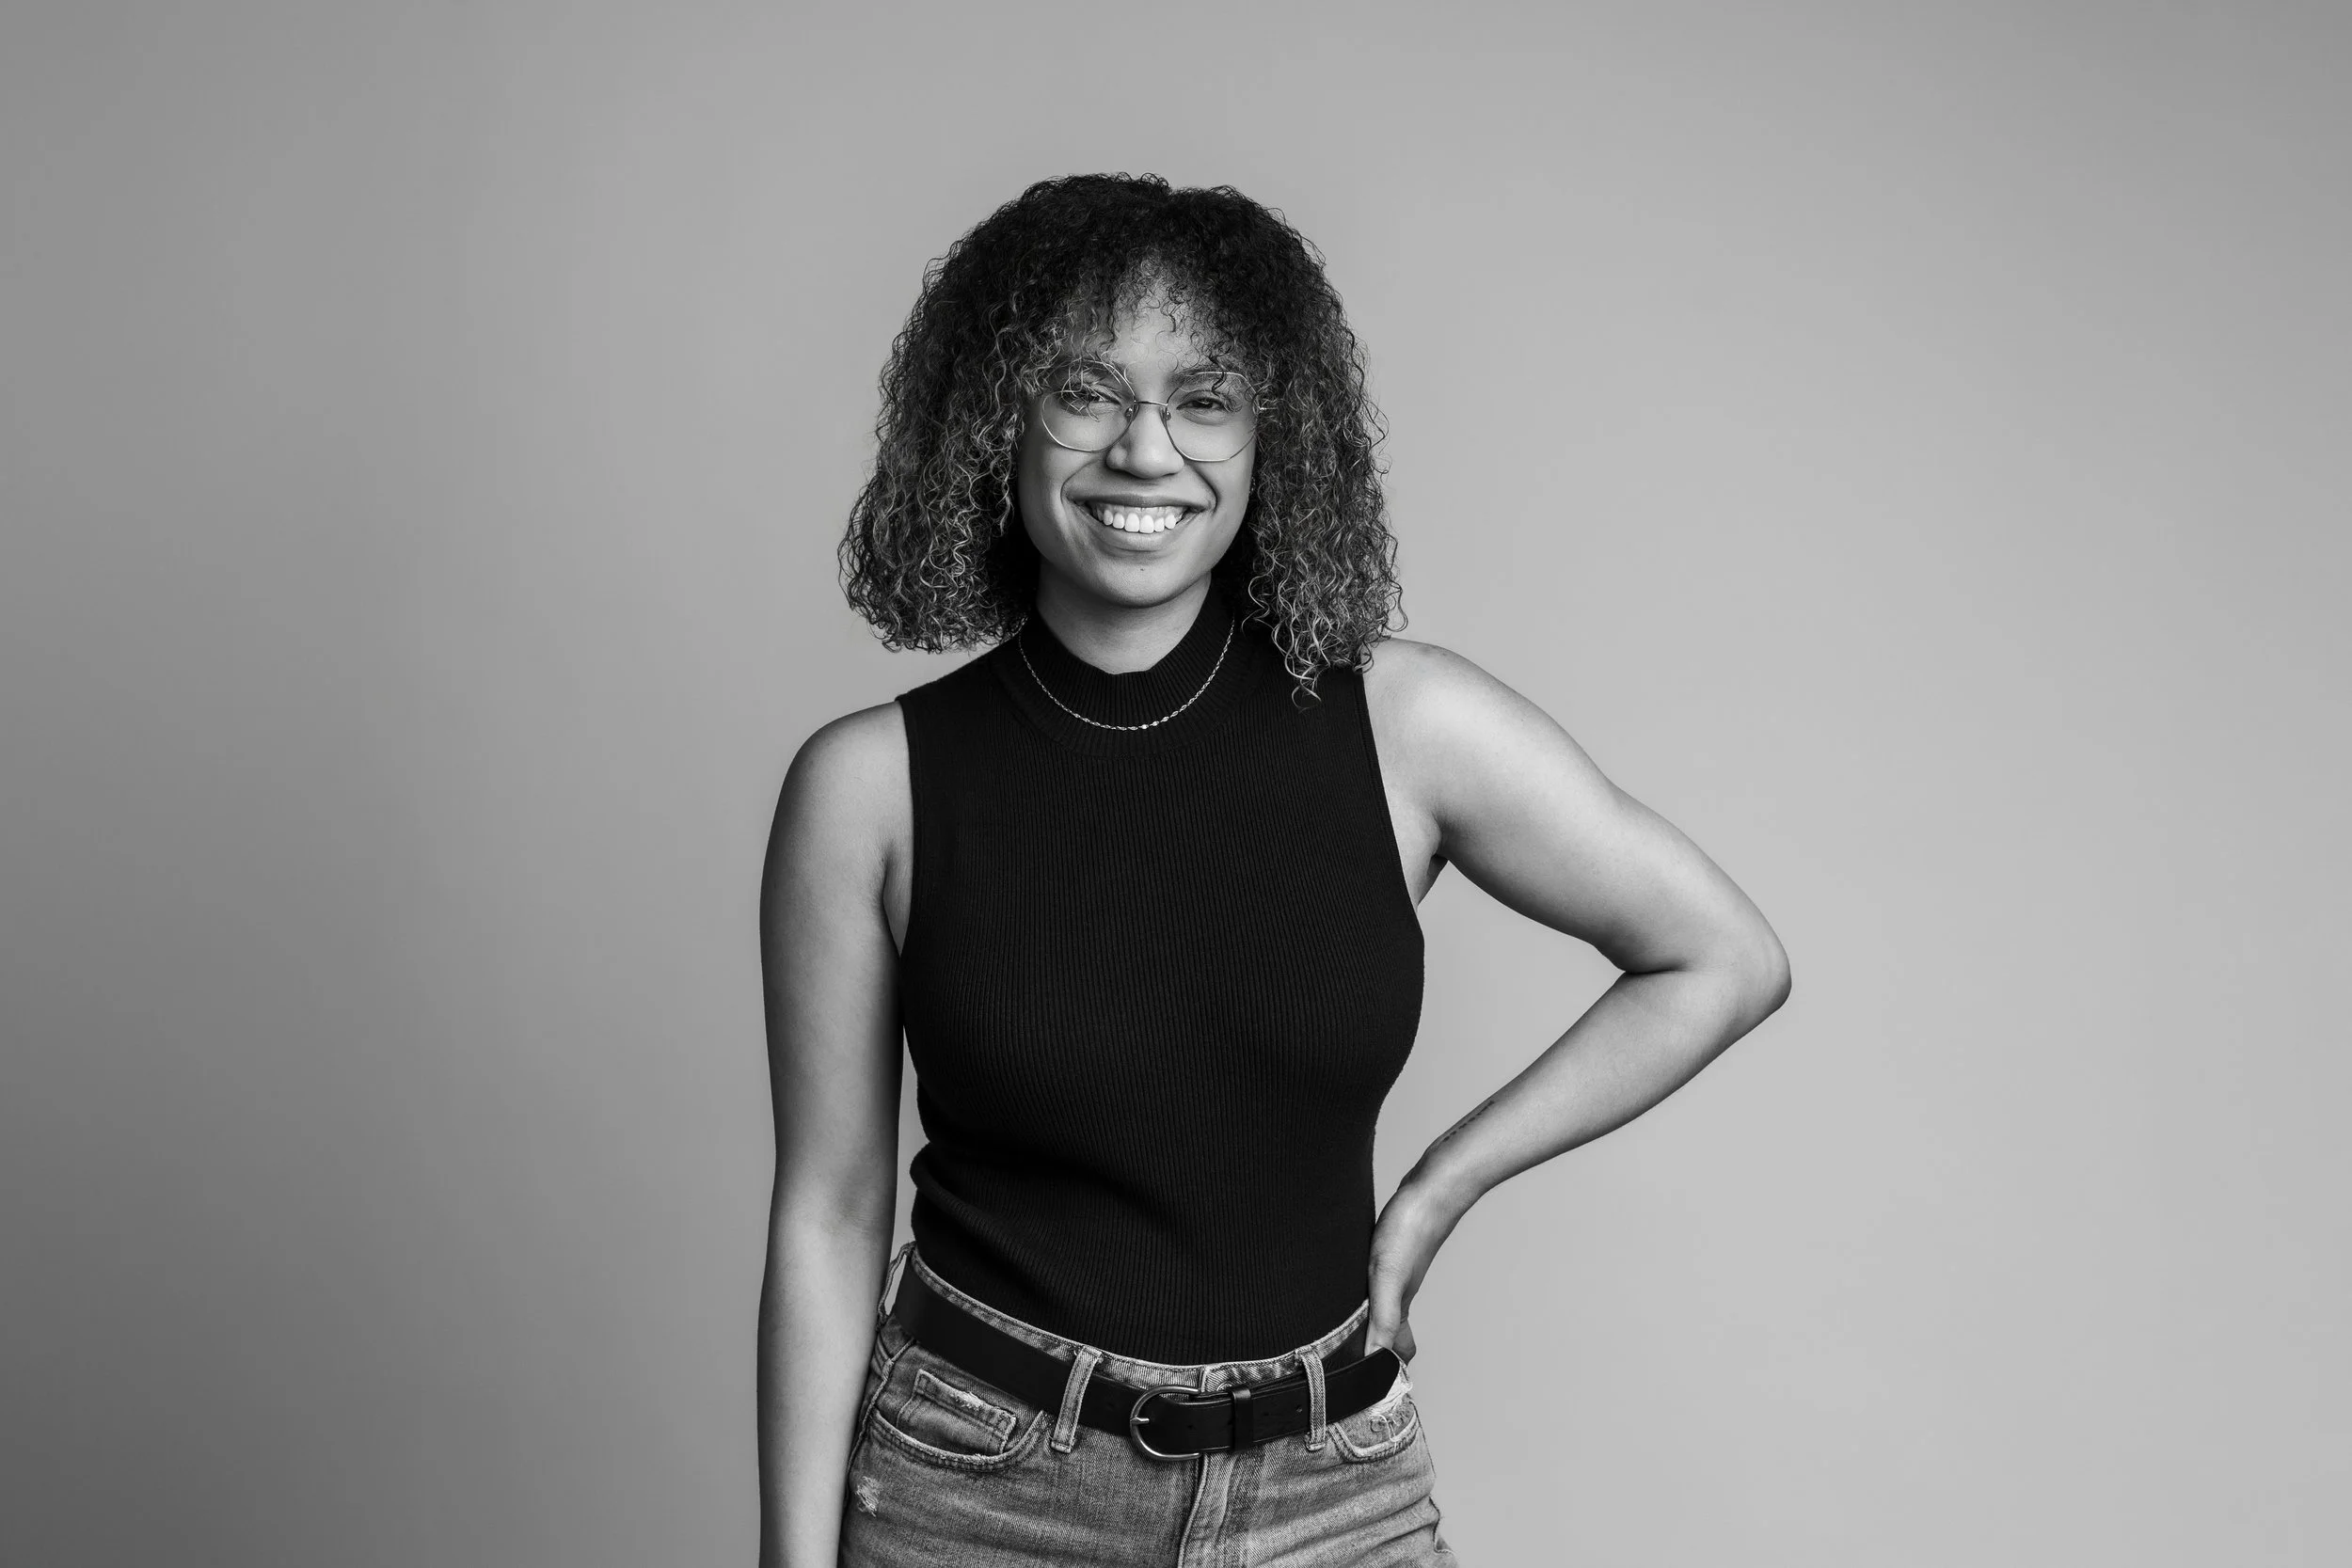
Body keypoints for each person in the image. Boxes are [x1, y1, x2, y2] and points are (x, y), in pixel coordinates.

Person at [758, 173, 1790, 1567]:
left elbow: (1723, 957)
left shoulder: (1407, 730)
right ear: (996, 417)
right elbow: (829, 1210)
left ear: (1267, 438)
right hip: (978, 1491)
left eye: (1204, 398)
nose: (1146, 449)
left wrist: (1435, 1190)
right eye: (1084, 392)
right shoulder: (867, 789)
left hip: (1332, 1494)